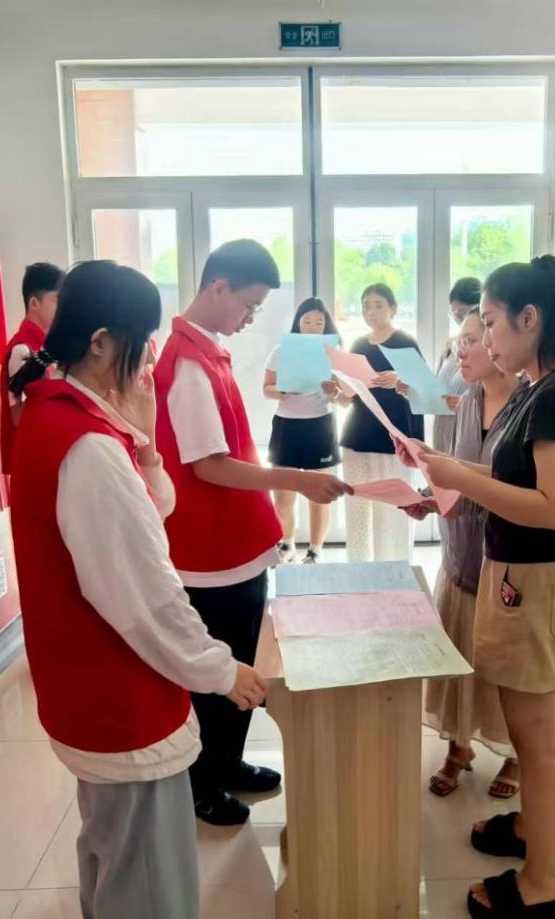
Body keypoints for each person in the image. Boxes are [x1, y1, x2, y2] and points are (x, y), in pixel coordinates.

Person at [8, 260, 267, 919]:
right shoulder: (86, 446)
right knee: (149, 880)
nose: (149, 358)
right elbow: (145, 595)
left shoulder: (56, 413)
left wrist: (145, 440)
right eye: (141, 342)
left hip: (84, 687)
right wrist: (219, 668)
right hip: (121, 699)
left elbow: (150, 511)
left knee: (112, 852)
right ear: (101, 341)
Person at [397, 254, 555, 917]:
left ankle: (540, 883)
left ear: (529, 317)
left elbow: (552, 507)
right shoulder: (534, 388)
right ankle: (529, 828)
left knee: (536, 742)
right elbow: (505, 477)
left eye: (489, 322)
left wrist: (457, 476)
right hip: (519, 578)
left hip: (539, 587)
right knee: (532, 734)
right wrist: (442, 465)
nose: (483, 337)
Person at [154, 239, 350, 826]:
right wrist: (296, 478)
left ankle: (229, 762)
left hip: (234, 543)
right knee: (218, 673)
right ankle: (203, 785)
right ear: (218, 287)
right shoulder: (188, 364)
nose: (250, 318)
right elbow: (210, 466)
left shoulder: (207, 349)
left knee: (242, 661)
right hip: (209, 551)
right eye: (248, 305)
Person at [408, 306, 520, 800]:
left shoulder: (529, 405)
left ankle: (516, 752)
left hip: (506, 562)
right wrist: (429, 499)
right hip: (460, 554)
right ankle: (459, 746)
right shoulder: (469, 400)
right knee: (458, 655)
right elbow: (457, 474)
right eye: (460, 342)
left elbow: (521, 489)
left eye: (473, 339)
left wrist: (456, 485)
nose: (461, 351)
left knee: (506, 668)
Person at [338, 282, 424, 562]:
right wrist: (336, 391)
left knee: (392, 509)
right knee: (357, 504)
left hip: (393, 437)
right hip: (358, 434)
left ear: (393, 309)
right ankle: (359, 569)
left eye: (378, 305)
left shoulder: (405, 342)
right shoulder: (358, 345)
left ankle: (394, 569)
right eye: (366, 306)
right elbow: (348, 396)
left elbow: (425, 390)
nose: (371, 311)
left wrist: (399, 379)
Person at [263, 297, 346, 564]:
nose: (312, 326)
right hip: (286, 426)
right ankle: (286, 545)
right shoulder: (281, 351)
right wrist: (283, 389)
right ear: (298, 323)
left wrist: (334, 392)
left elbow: (343, 397)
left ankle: (315, 550)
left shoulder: (333, 353)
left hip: (320, 426)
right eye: (307, 321)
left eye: (319, 322)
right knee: (283, 494)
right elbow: (266, 389)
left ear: (326, 326)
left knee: (320, 495)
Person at [0, 261, 64, 474]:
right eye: (57, 300)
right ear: (34, 303)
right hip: (33, 464)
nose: (63, 309)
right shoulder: (22, 350)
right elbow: (20, 417)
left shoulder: (44, 350)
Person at [432, 277, 483, 452]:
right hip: (443, 428)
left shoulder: (488, 350)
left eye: (462, 313)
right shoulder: (450, 345)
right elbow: (437, 389)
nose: (458, 320)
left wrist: (464, 404)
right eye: (453, 314)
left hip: (467, 431)